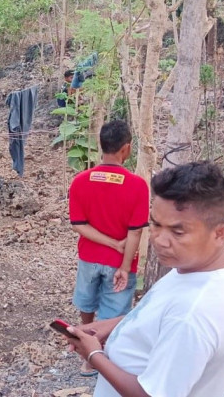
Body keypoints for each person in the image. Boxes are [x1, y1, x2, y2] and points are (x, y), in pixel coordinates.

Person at [65, 162, 224, 397]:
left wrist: (94, 355)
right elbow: (161, 316)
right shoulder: (218, 261)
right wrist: (113, 325)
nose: (160, 240)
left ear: (219, 233)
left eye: (178, 231)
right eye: (155, 224)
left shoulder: (192, 314)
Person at [68, 120, 149, 375]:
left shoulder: (80, 181)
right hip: (120, 261)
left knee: (86, 300)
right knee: (114, 309)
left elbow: (79, 225)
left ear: (100, 144)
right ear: (126, 149)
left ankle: (85, 344)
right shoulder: (137, 185)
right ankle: (98, 353)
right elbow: (135, 231)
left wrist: (107, 242)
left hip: (89, 256)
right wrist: (123, 262)